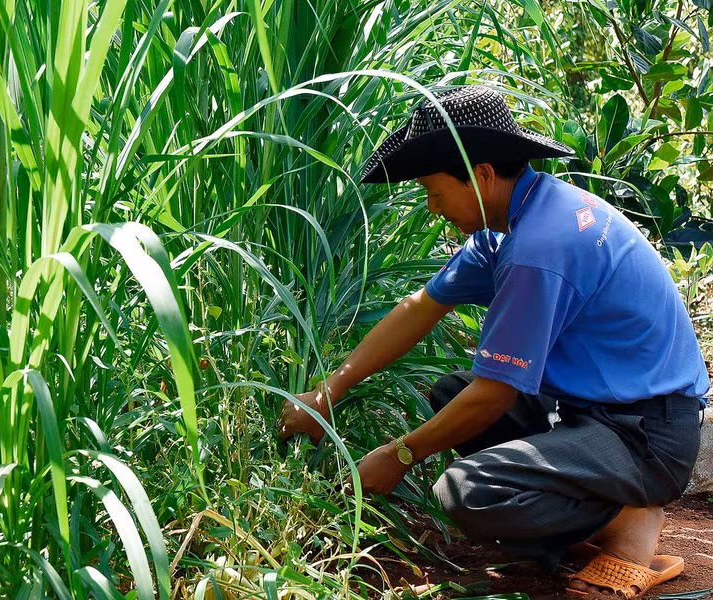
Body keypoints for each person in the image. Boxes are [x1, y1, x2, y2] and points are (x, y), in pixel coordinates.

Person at [277, 86, 708, 598]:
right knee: (451, 394)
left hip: (646, 434)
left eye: (435, 191)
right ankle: (589, 516)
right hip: (594, 412)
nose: (432, 207)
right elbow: (420, 308)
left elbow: (495, 394)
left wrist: (398, 456)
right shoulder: (511, 224)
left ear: (481, 174)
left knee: (467, 492)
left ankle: (626, 521)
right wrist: (330, 390)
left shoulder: (539, 247)